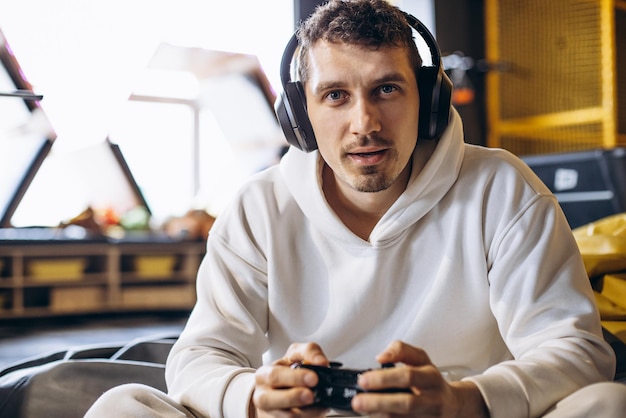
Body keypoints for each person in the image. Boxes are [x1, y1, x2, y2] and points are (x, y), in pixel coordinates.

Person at [85, 0, 626, 417]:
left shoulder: (503, 188)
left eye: (386, 89)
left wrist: (465, 401)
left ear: (428, 100)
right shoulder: (258, 207)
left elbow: (577, 350)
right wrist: (252, 397)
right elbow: (199, 356)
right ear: (300, 114)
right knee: (122, 406)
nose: (364, 122)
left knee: (607, 404)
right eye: (336, 95)